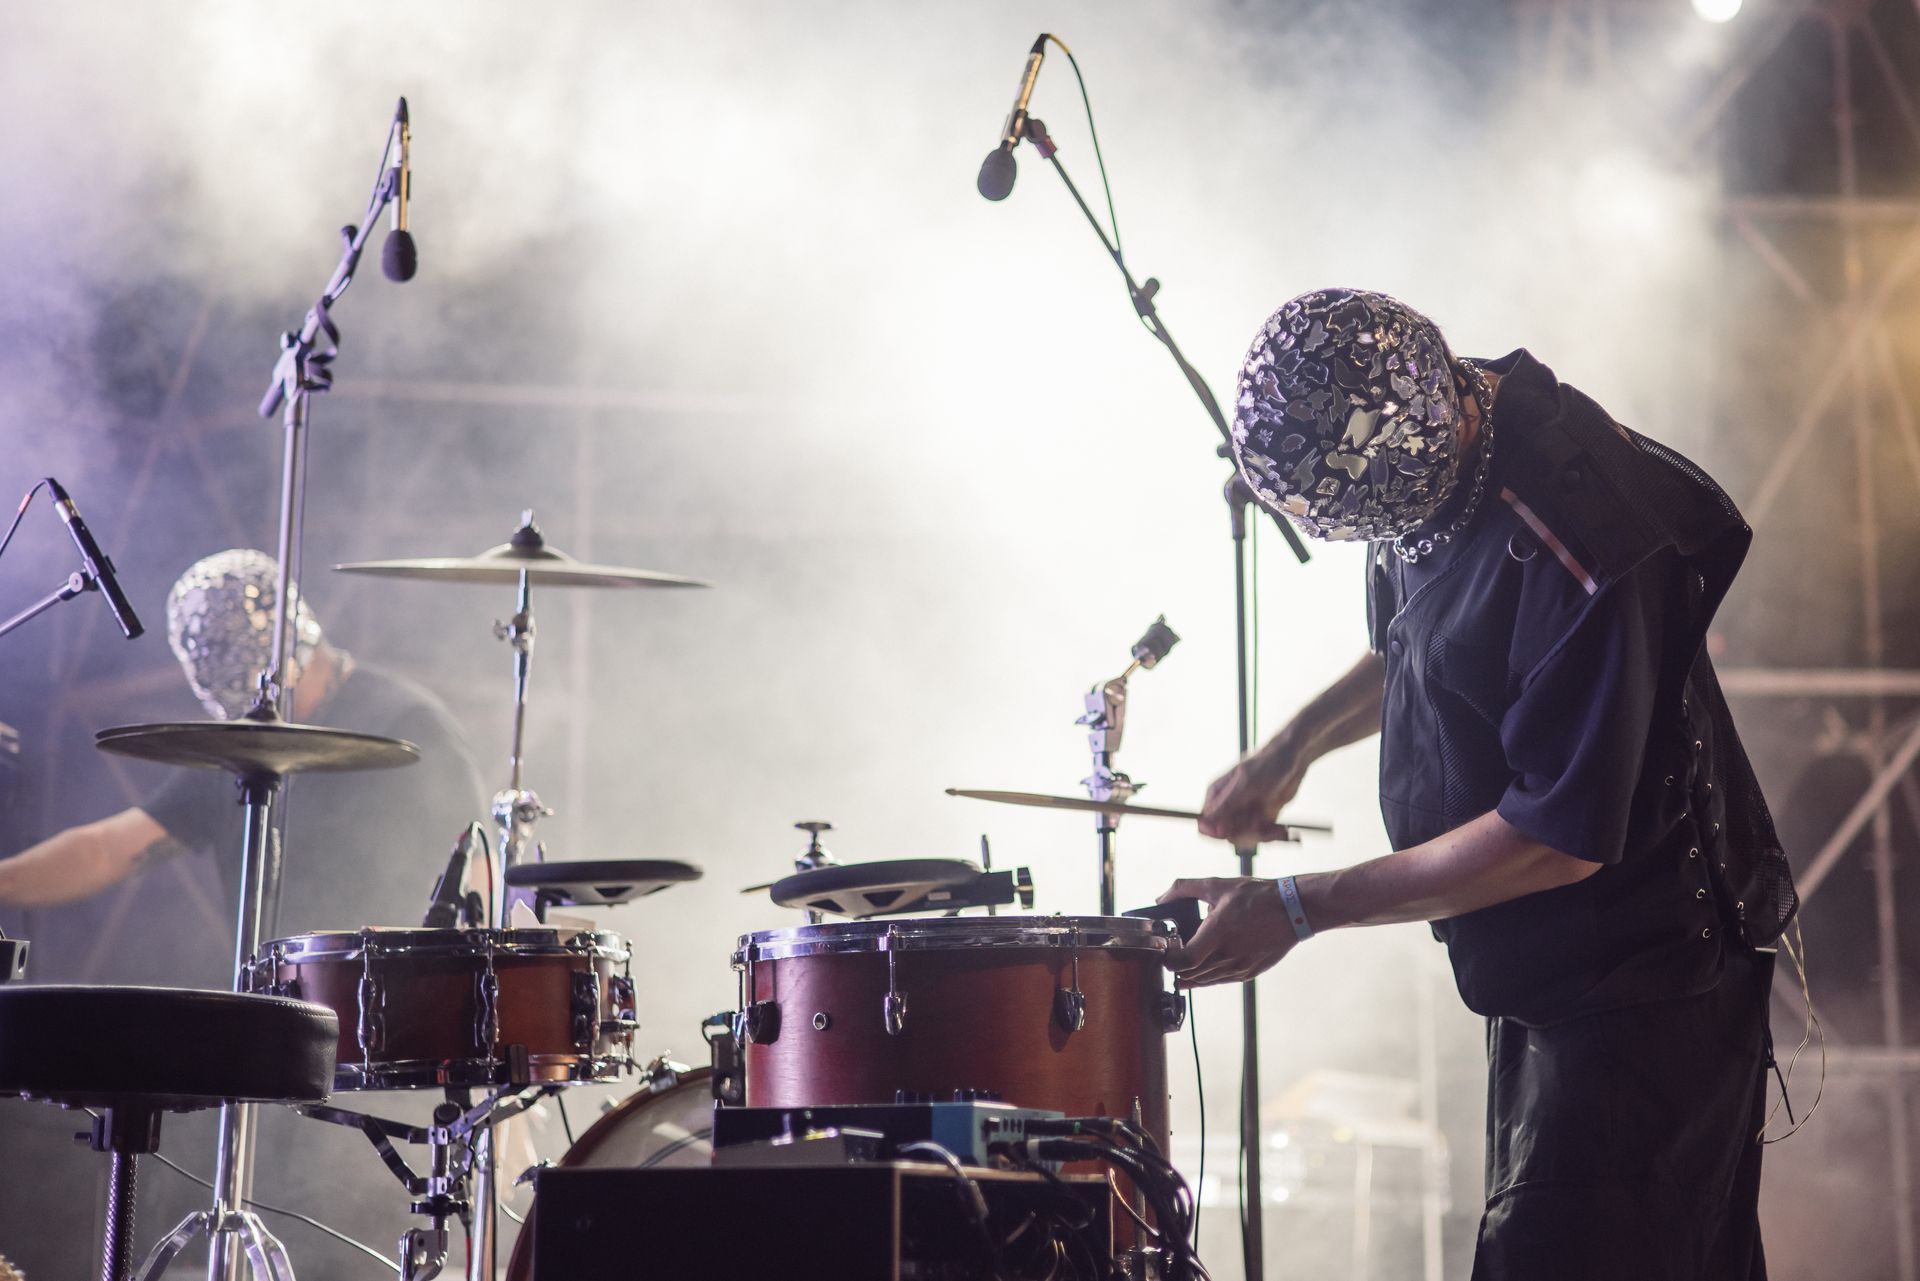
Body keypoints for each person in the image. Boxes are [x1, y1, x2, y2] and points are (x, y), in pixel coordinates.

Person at [1164, 289, 1798, 1279]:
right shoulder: (1417, 438)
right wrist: (1292, 747)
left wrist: (1297, 906)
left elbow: (1556, 836)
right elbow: (1431, 646)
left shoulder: (1587, 538)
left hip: (1651, 980)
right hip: (1554, 966)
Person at [0, 548, 488, 937]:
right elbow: (107, 850)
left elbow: (480, 874)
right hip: (270, 1002)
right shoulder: (240, 743)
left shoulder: (406, 722)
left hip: (389, 1007)